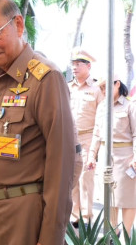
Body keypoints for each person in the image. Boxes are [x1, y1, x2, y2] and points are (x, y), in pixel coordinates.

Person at [0, 0, 75, 245]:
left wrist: (51, 237)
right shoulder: (1, 80)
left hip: (24, 215)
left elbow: (61, 167)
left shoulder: (45, 79)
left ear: (18, 25)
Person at [87, 75, 136, 237]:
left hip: (125, 159)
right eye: (101, 88)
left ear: (117, 84)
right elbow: (96, 134)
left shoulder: (130, 105)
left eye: (106, 86)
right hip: (105, 157)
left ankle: (126, 236)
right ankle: (113, 235)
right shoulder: (101, 107)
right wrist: (92, 155)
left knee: (127, 198)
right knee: (110, 198)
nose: (103, 91)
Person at [68, 47, 104, 227]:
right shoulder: (68, 88)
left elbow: (101, 117)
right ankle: (75, 216)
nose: (74, 68)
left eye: (78, 64)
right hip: (70, 139)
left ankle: (87, 217)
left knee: (86, 180)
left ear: (88, 66)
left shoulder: (97, 89)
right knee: (73, 178)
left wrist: (95, 147)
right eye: (73, 64)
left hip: (88, 138)